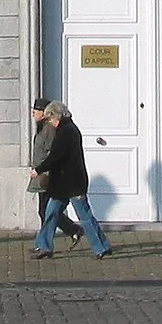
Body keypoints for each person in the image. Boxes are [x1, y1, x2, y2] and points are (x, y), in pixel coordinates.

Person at [31, 100, 111, 259]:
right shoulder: (68, 129)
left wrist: (39, 169)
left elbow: (56, 156)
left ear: (56, 116)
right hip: (62, 184)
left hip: (72, 183)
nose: (50, 122)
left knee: (85, 216)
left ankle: (102, 246)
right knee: (50, 214)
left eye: (51, 119)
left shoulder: (66, 132)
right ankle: (44, 246)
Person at [30, 97, 84, 248]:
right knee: (47, 210)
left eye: (35, 112)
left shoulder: (50, 129)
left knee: (46, 210)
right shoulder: (42, 127)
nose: (33, 114)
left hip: (47, 175)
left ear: (43, 113)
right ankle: (70, 231)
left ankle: (47, 242)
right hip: (43, 173)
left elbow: (53, 153)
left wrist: (41, 169)